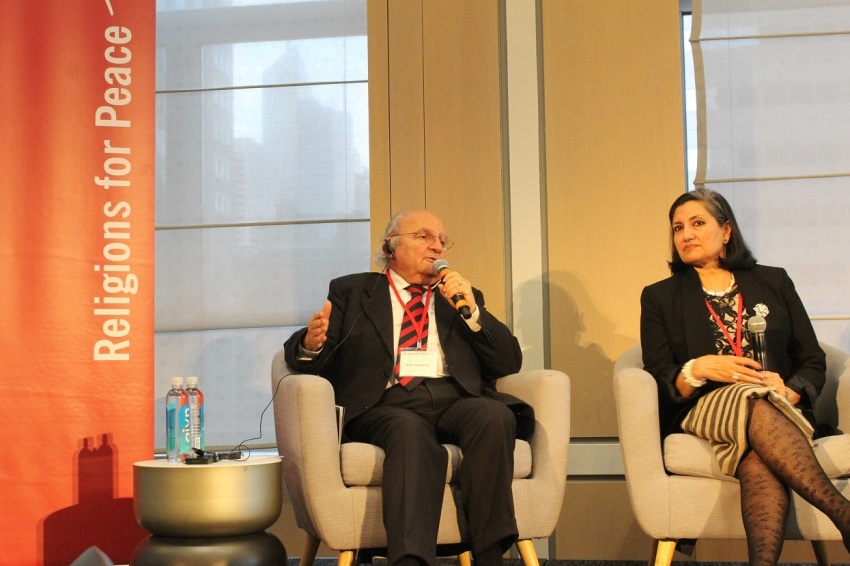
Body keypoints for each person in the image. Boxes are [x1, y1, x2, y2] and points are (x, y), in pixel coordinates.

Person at [283, 209, 533, 566]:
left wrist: (474, 312)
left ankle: (490, 555)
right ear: (390, 247)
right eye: (424, 237)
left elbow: (508, 363)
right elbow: (308, 355)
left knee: (494, 416)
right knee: (408, 432)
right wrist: (311, 342)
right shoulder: (352, 291)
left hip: (453, 397)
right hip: (386, 403)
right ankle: (411, 559)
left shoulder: (460, 295)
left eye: (442, 240)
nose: (436, 247)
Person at [640, 188, 850, 564]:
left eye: (697, 223)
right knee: (748, 396)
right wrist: (699, 368)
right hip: (703, 409)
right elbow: (660, 375)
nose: (685, 235)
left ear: (726, 231)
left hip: (779, 408)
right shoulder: (660, 297)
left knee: (756, 458)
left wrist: (791, 391)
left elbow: (811, 358)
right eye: (677, 228)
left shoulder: (774, 281)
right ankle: (844, 514)